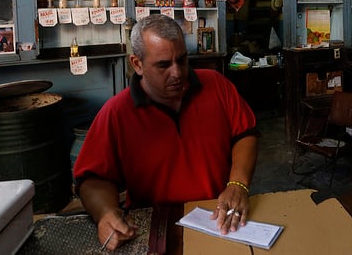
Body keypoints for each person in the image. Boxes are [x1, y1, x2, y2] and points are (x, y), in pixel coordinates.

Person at [73, 14, 259, 251]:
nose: (177, 73)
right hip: (153, 228)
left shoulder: (216, 85)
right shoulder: (117, 112)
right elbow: (91, 179)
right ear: (137, 64)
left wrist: (238, 184)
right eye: (163, 65)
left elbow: (246, 133)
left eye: (182, 60)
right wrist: (105, 213)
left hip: (218, 219)